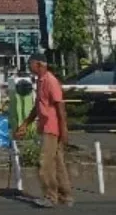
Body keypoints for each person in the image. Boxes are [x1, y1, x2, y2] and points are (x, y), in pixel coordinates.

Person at [14, 54, 73, 208]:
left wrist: (64, 129)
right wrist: (26, 123)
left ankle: (50, 196)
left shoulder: (50, 81)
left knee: (45, 163)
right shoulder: (40, 81)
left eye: (30, 64)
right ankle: (65, 196)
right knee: (58, 162)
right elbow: (38, 107)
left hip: (52, 128)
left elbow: (60, 107)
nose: (29, 67)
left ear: (39, 64)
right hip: (47, 126)